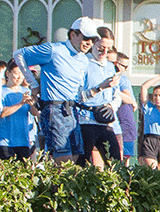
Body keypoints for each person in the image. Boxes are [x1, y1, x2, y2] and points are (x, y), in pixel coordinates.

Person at [15, 17, 100, 164]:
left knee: (75, 159)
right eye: (86, 38)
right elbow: (19, 54)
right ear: (73, 34)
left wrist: (98, 91)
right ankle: (52, 187)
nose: (89, 43)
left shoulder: (84, 60)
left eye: (92, 40)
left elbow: (78, 91)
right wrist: (33, 84)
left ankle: (62, 187)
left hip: (73, 110)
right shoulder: (53, 50)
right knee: (63, 159)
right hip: (54, 108)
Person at [78, 26, 125, 169]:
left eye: (108, 49)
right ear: (93, 43)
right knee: (83, 163)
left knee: (116, 163)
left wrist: (112, 106)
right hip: (86, 119)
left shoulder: (110, 66)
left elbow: (117, 94)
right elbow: (78, 96)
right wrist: (99, 88)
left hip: (105, 121)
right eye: (101, 48)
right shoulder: (83, 63)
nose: (104, 52)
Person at [0, 61, 37, 160]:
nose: (19, 77)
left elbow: (34, 113)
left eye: (22, 74)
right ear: (8, 73)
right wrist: (21, 103)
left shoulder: (26, 92)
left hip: (23, 141)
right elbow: (2, 113)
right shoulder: (1, 91)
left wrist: (32, 105)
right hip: (5, 141)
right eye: (16, 73)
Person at [139, 80, 160, 168]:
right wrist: (159, 77)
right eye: (155, 95)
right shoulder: (149, 108)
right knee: (151, 168)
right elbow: (144, 87)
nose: (157, 98)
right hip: (149, 140)